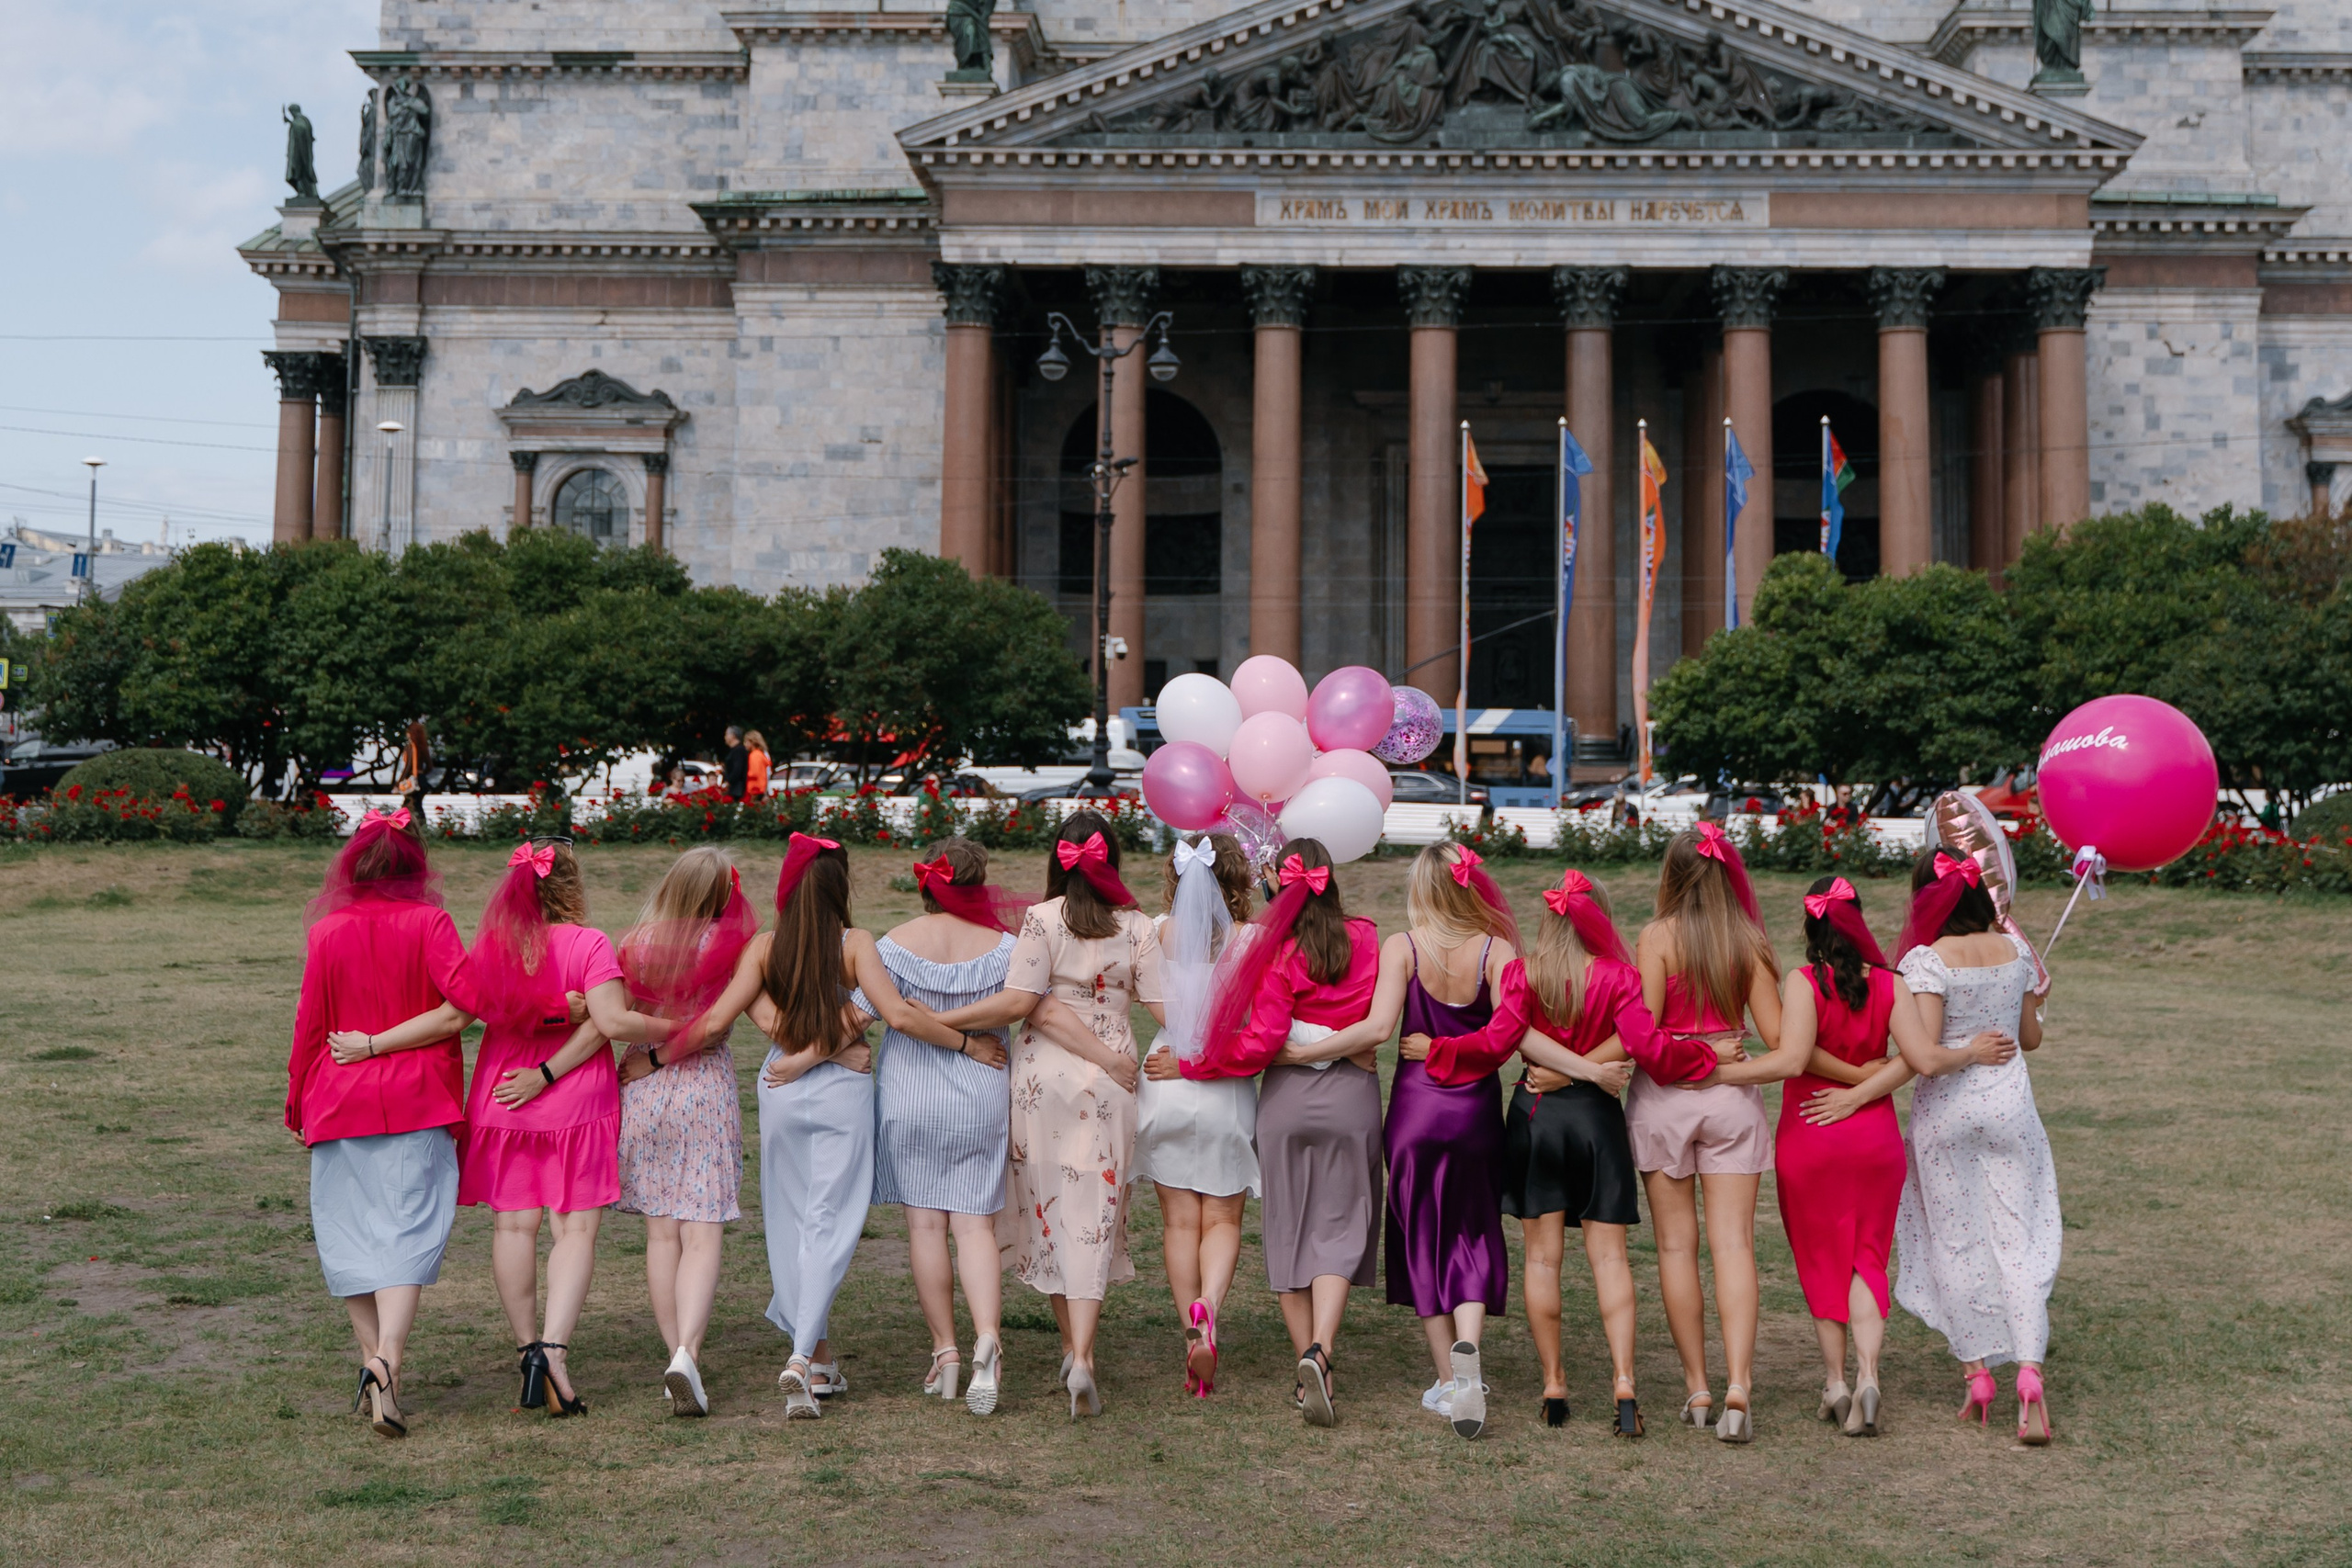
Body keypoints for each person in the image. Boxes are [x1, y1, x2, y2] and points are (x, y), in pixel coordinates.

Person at [1415, 869, 1712, 1437]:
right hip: (1597, 1122)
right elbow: (1648, 1046)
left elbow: (1496, 1042)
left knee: (1542, 1259)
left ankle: (1554, 1383)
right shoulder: (1621, 977)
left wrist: (1440, 1050)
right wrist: (1701, 1059)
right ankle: (1624, 1380)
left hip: (1535, 1118)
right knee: (1610, 1259)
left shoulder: (1525, 974)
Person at [681, 833, 968, 1417]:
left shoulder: (763, 948)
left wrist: (653, 1056)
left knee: (789, 1224)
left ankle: (817, 1365)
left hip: (782, 1089)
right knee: (830, 1224)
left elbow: (718, 1019)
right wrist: (963, 1045)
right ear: (840, 887)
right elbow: (896, 1014)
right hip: (841, 1095)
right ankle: (799, 1356)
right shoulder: (858, 943)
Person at [932, 811, 1164, 1418]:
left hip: (1044, 1080)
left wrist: (939, 1019)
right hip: (1112, 1079)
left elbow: (1022, 1004)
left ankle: (1072, 1347)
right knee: (1097, 1213)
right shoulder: (1137, 927)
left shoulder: (1040, 919)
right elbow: (1169, 1008)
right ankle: (1080, 1355)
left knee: (1054, 1212)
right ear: (1111, 860)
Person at [453, 838, 678, 1416]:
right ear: (570, 889)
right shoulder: (590, 943)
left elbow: (474, 1011)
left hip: (504, 1099)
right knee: (573, 1232)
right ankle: (554, 1352)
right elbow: (605, 1023)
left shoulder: (493, 948)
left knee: (513, 1230)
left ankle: (527, 1350)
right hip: (577, 1103)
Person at [1174, 837, 1381, 1427]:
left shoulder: (1277, 950)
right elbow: (1375, 1021)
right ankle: (1324, 1348)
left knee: (1289, 1229)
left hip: (1287, 1106)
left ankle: (1308, 1367)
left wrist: (1194, 1064)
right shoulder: (1366, 937)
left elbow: (1261, 1043)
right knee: (1341, 1227)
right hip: (1351, 1097)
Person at [1321, 842, 1521, 1439]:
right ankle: (1469, 1350)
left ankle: (1450, 1378)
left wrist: (1431, 1046)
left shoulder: (1403, 947)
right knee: (1475, 1230)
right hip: (1478, 1110)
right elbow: (1508, 1033)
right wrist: (1462, 1049)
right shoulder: (1498, 949)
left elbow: (1381, 1028)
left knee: (1423, 1239)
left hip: (1415, 1110)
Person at [288, 808, 469, 1439]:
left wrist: (297, 1097)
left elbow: (310, 1026)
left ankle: (377, 1369)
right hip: (417, 1101)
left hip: (337, 1103)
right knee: (406, 1235)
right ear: (415, 865)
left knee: (351, 1242)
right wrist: (383, 1044)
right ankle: (387, 1361)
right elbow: (461, 1010)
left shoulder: (327, 933)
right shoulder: (432, 922)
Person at [1773, 875, 1962, 1438]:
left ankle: (1834, 1382)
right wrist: (1868, 1087)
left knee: (1821, 1259)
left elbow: (1796, 1055)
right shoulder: (1892, 983)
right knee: (1867, 1259)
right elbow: (1919, 1057)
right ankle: (1870, 1376)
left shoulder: (1803, 983)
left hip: (1811, 1131)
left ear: (1811, 925)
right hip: (1875, 1137)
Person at [1892, 849, 2059, 1445]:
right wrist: (2034, 1001)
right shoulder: (2015, 950)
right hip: (2010, 1109)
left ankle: (1978, 1372)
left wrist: (1966, 1051)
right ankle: (2030, 1371)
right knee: (2018, 1239)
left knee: (1956, 1239)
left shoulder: (1925, 961)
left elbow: (1927, 1054)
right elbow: (2030, 1039)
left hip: (1948, 1113)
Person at [1630, 822, 1784, 1442]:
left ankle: (1697, 1386)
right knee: (1735, 1248)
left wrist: (1688, 1055)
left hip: (1665, 1102)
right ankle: (1739, 1385)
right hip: (1731, 1104)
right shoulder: (1748, 941)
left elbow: (1645, 1034)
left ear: (1671, 875)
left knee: (1675, 1248)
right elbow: (1780, 1044)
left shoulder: (1655, 937)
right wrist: (1724, 1061)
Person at [870, 838, 1030, 1416]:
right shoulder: (1008, 948)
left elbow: (864, 1014)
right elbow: (1021, 1005)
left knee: (924, 1227)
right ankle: (988, 1335)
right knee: (975, 1228)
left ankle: (946, 1351)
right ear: (979, 883)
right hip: (980, 1090)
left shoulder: (892, 945)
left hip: (909, 1095)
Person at [610, 845, 759, 1417]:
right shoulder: (731, 947)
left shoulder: (636, 942)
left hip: (643, 1089)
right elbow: (717, 1027)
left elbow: (619, 1010)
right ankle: (687, 1355)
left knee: (661, 1235)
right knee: (702, 1231)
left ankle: (674, 1352)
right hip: (701, 1088)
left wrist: (646, 1058)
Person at [1134, 834, 1259, 1397]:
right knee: (1223, 1220)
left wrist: (1183, 1051)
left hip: (1165, 1076)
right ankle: (1209, 1307)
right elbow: (1256, 1021)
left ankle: (1190, 1327)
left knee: (1179, 1221)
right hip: (1225, 1084)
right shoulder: (1253, 941)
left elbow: (1156, 1007)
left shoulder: (1157, 931)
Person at [394, 720, 431, 819]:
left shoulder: (410, 747)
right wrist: (421, 774)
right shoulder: (423, 747)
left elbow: (408, 766)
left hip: (413, 781)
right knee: (418, 806)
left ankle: (408, 829)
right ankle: (423, 828)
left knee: (408, 806)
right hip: (422, 780)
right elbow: (430, 766)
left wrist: (399, 782)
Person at [719, 727, 748, 801]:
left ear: (733, 736)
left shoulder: (739, 750)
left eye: (726, 734)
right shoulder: (735, 750)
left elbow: (737, 769)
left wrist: (728, 782)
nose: (725, 737)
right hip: (734, 789)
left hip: (736, 790)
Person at [743, 731, 773, 800]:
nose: (744, 744)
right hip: (761, 788)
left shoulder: (754, 755)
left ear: (752, 742)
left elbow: (754, 773)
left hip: (754, 789)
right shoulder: (761, 754)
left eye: (746, 742)